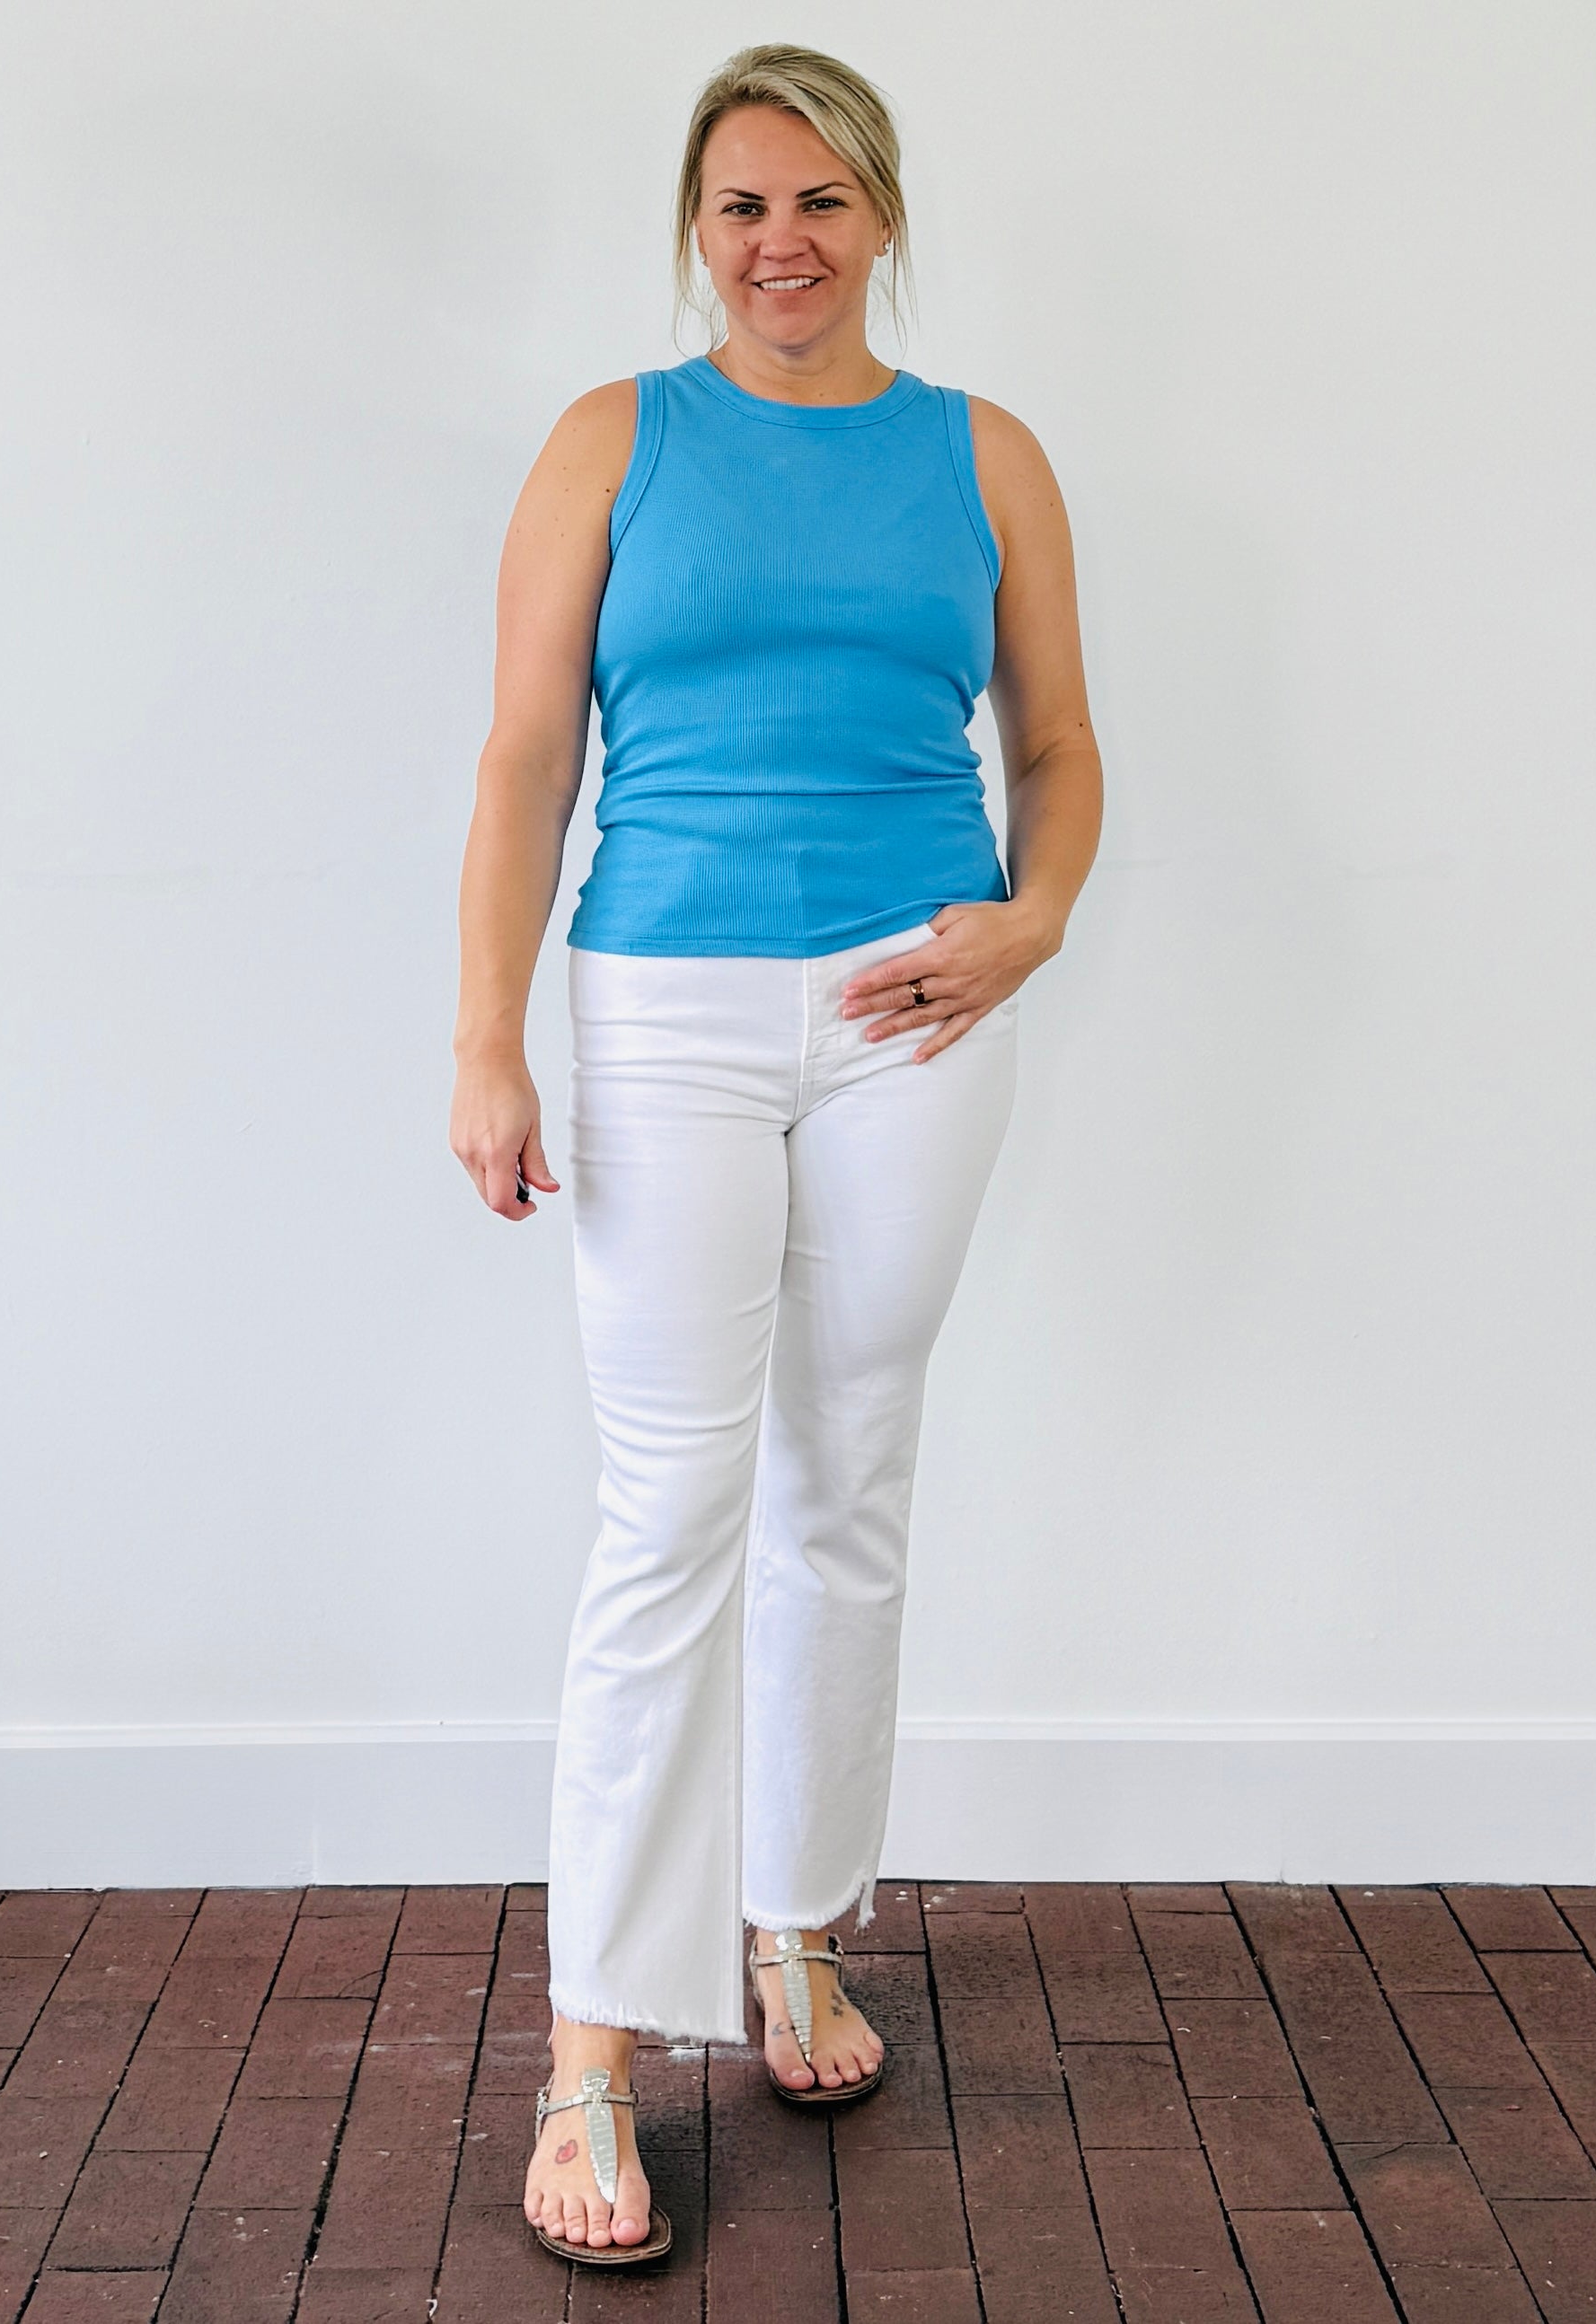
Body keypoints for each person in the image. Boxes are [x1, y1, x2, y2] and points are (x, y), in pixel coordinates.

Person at [449, 41, 1104, 2265]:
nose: (781, 242)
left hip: (917, 1009)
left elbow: (1057, 740)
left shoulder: (983, 454)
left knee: (851, 1477)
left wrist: (1032, 916)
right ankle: (590, 2052)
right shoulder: (610, 440)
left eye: (820, 201)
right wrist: (489, 1039)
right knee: (670, 1511)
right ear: (695, 230)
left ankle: (795, 1931)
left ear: (882, 217)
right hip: (665, 1006)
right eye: (741, 206)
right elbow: (525, 759)